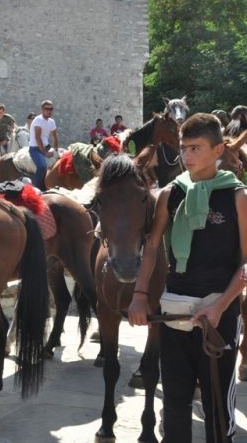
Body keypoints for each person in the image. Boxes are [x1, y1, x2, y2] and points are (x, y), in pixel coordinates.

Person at [128, 113, 247, 443]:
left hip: (218, 314)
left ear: (219, 149)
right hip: (174, 309)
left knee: (217, 405)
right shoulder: (171, 194)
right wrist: (139, 294)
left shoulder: (238, 197)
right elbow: (152, 246)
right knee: (175, 400)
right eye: (184, 148)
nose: (187, 157)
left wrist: (222, 305)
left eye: (195, 148)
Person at [28, 100, 59, 190]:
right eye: (47, 109)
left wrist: (56, 150)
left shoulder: (52, 121)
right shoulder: (38, 120)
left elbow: (55, 137)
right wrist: (45, 153)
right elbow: (38, 138)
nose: (49, 111)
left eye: (51, 109)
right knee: (42, 166)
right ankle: (35, 189)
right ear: (42, 109)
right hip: (35, 148)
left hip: (46, 147)